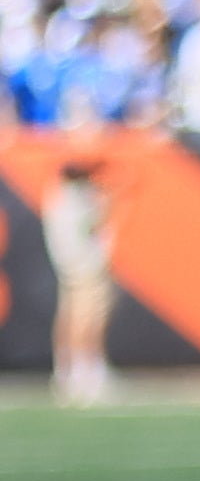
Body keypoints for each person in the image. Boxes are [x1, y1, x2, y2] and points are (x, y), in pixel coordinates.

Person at [35, 153, 116, 400]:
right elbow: (99, 217)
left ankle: (68, 371)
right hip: (85, 268)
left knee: (70, 318)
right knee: (86, 320)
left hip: (71, 267)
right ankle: (84, 372)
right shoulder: (74, 202)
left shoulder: (56, 197)